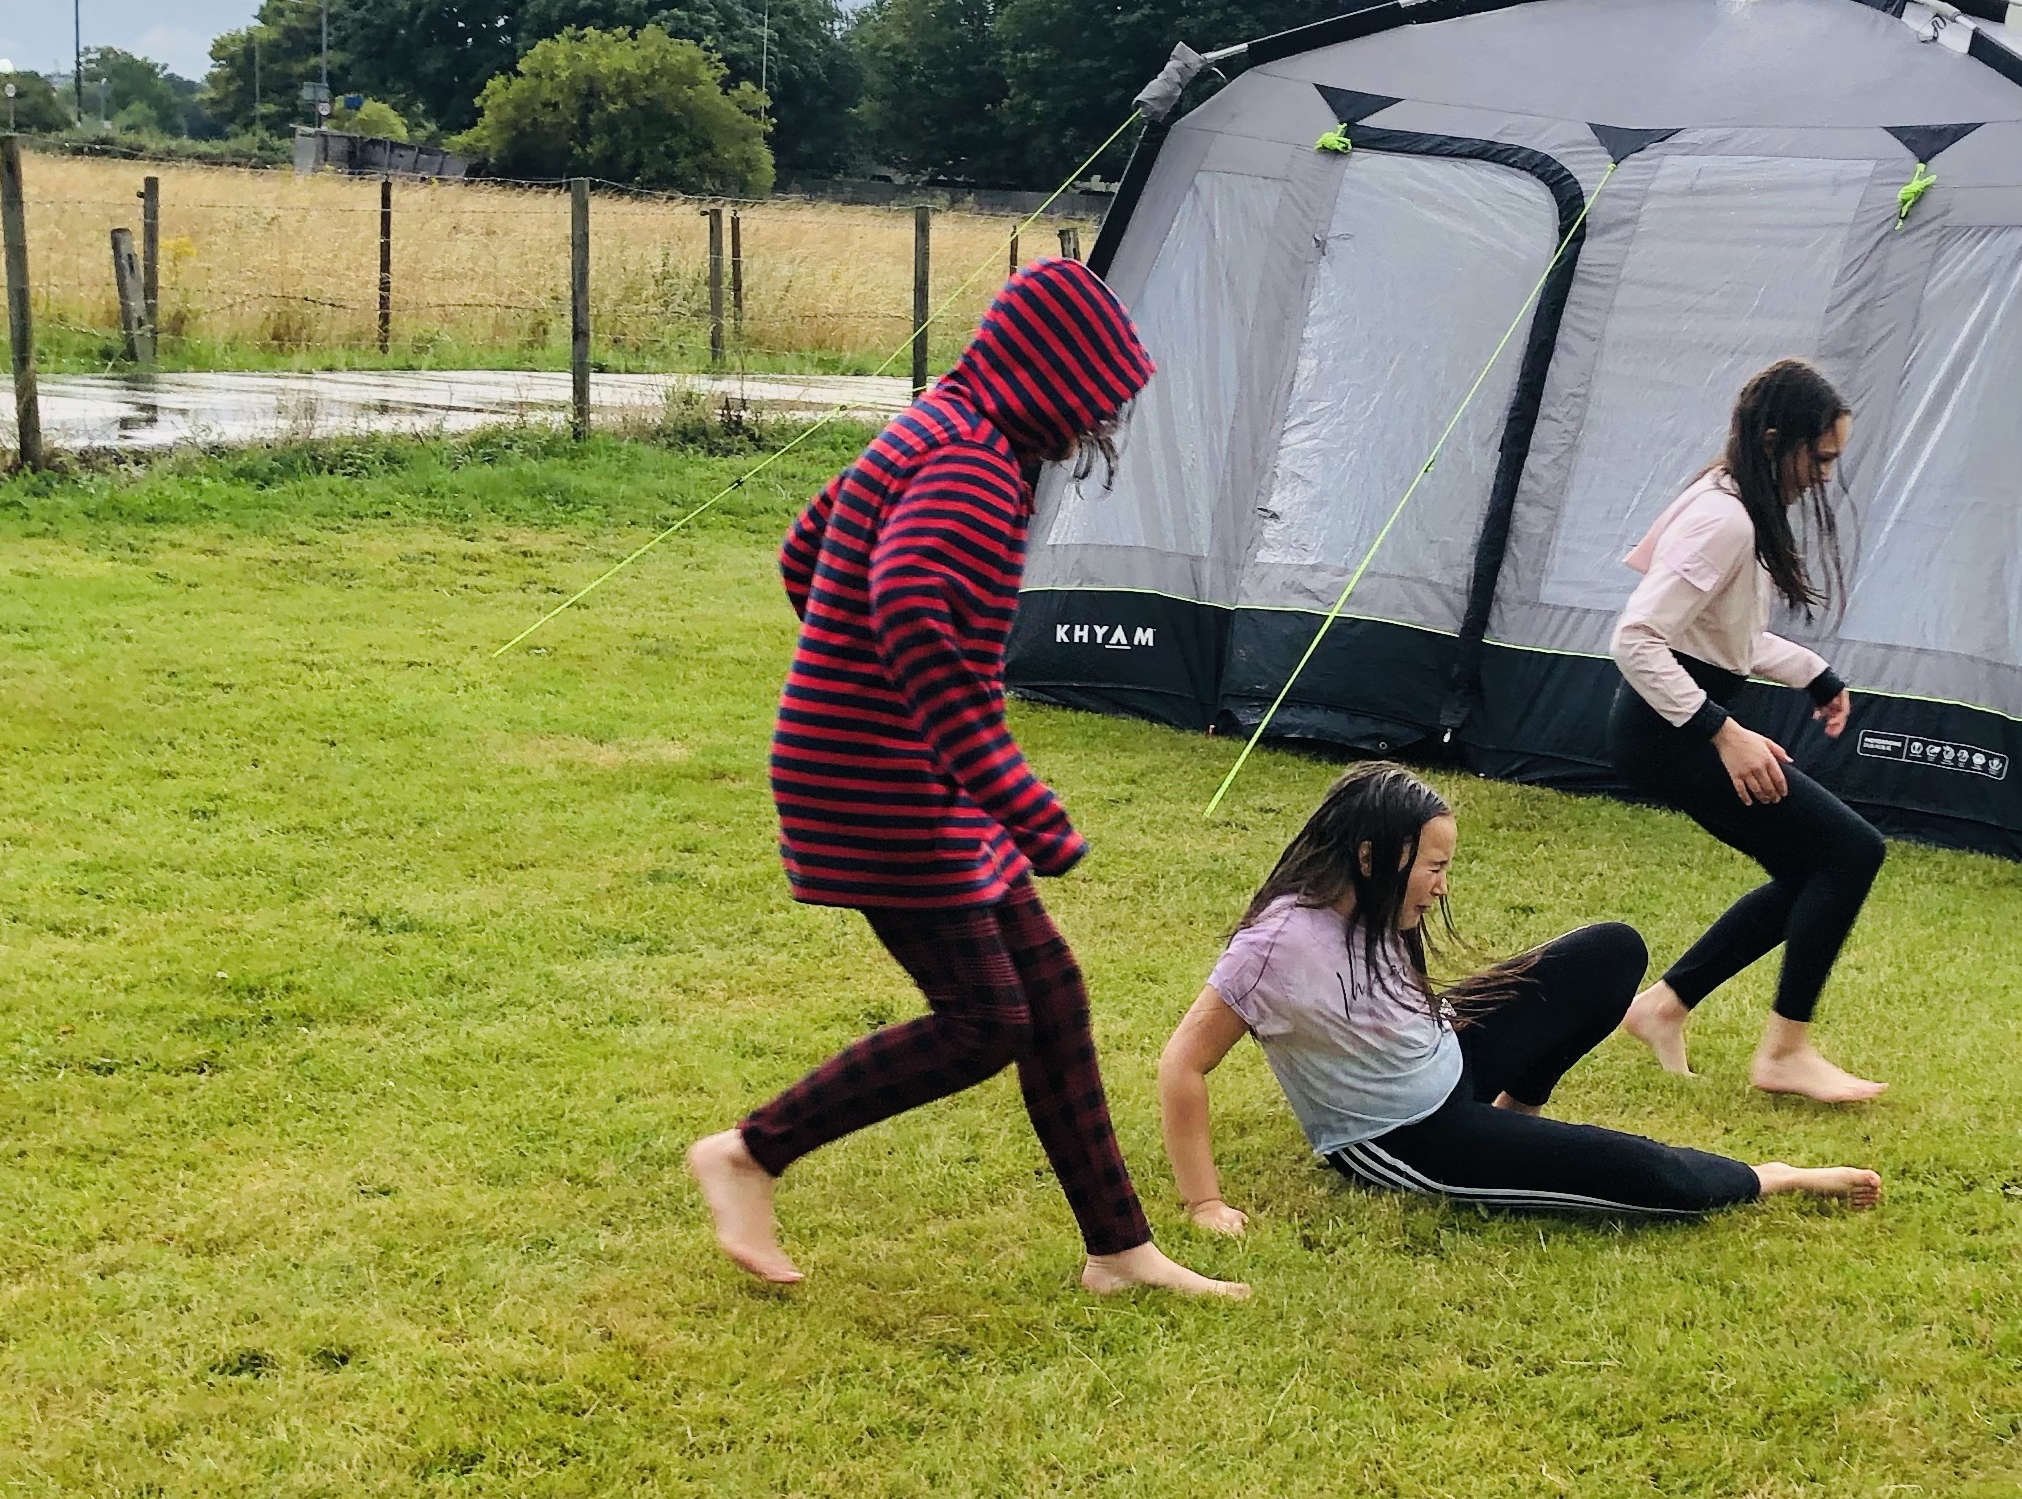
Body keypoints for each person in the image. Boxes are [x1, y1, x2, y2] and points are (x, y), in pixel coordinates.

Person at [688, 260, 1245, 1301]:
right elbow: (910, 610)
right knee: (985, 1018)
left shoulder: (937, 425)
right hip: (882, 781)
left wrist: (856, 680)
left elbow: (805, 551)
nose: (1099, 427)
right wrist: (1010, 791)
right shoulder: (974, 464)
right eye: (1096, 401)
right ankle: (749, 1153)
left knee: (1051, 994)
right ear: (1052, 379)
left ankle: (1118, 1251)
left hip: (905, 765)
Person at [1158, 762, 1881, 1229]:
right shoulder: (1275, 948)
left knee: (1613, 951)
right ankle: (1770, 1179)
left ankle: (1516, 1118)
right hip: (1408, 1135)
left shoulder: (1374, 905)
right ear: (1371, 859)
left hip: (1451, 1054)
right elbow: (1182, 1063)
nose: (1442, 887)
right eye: (1433, 868)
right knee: (1638, 1169)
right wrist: (1204, 1203)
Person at [1605, 358, 1890, 1105]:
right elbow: (1636, 638)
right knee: (1851, 851)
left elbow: (1724, 636)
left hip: (1673, 727)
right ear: (1773, 440)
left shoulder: (1732, 501)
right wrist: (1722, 732)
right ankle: (1784, 1053)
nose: (1825, 477)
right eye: (1819, 457)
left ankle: (1662, 1008)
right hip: (1667, 732)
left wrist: (1812, 673)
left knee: (1812, 870)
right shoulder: (1723, 519)